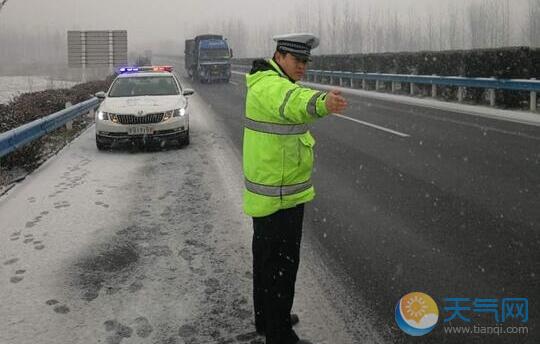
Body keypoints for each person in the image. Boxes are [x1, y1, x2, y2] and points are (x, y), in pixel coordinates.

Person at [243, 33, 348, 344]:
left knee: (266, 262)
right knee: (281, 267)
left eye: (306, 61)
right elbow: (294, 103)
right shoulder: (271, 86)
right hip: (279, 195)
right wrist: (323, 102)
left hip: (274, 190)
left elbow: (291, 98)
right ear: (280, 56)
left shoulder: (268, 81)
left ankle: (268, 318)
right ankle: (280, 335)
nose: (303, 66)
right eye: (297, 60)